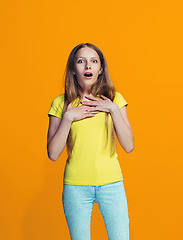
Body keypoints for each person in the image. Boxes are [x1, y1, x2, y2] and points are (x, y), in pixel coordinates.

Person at [46, 43, 134, 240]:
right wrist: (68, 118)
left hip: (112, 184)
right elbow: (52, 154)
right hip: (76, 186)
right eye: (81, 61)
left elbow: (129, 146)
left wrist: (112, 110)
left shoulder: (115, 100)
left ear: (100, 68)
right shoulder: (61, 103)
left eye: (94, 61)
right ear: (73, 68)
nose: (88, 66)